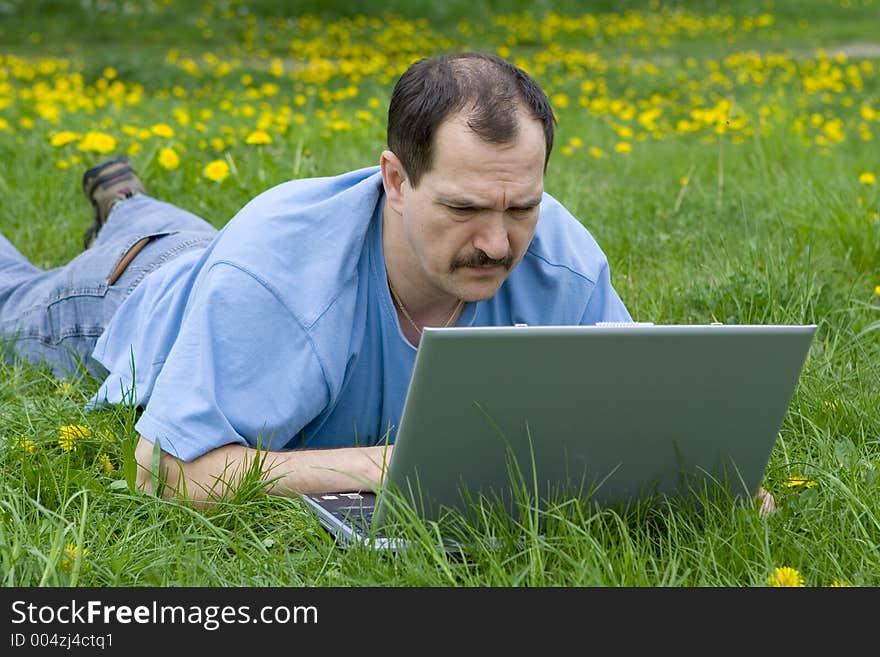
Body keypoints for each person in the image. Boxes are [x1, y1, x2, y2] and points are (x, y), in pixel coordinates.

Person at [1, 52, 774, 513]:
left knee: (167, 230)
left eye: (522, 207)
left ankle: (126, 201)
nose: (498, 241)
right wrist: (395, 463)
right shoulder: (272, 280)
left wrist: (704, 476)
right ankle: (128, 217)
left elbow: (636, 400)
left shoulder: (560, 257)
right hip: (123, 296)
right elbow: (166, 471)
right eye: (465, 208)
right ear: (395, 180)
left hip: (208, 258)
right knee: (21, 294)